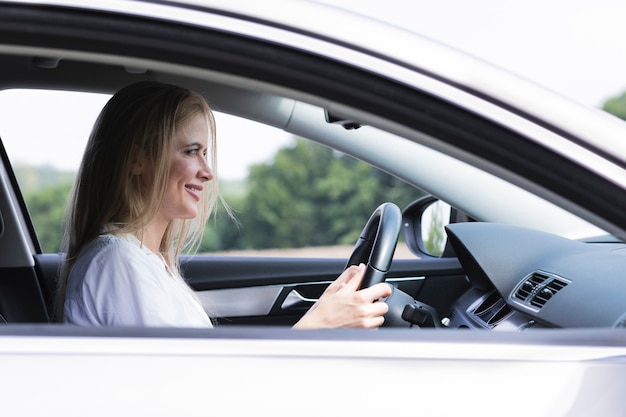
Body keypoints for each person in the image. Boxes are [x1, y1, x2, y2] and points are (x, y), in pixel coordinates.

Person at [55, 81, 391, 329]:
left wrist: (320, 317)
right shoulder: (117, 263)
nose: (207, 171)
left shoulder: (145, 262)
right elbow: (195, 392)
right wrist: (317, 326)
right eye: (191, 151)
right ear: (137, 160)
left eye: (205, 153)